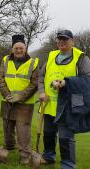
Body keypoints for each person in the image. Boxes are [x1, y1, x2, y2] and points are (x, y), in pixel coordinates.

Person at [39, 29, 90, 169]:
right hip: (49, 103)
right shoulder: (51, 56)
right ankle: (48, 156)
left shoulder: (81, 58)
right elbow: (41, 77)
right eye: (59, 39)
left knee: (65, 136)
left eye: (65, 39)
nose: (62, 42)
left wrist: (66, 82)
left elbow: (87, 80)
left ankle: (67, 164)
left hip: (68, 105)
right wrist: (42, 91)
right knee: (48, 133)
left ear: (72, 41)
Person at [0, 35, 38, 164]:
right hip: (8, 100)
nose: (18, 50)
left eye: (21, 48)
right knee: (7, 126)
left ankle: (25, 153)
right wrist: (7, 95)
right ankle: (9, 145)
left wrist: (21, 96)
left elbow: (35, 83)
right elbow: (1, 78)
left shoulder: (33, 62)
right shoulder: (5, 60)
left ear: (25, 48)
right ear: (12, 48)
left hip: (25, 103)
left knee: (23, 129)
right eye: (16, 48)